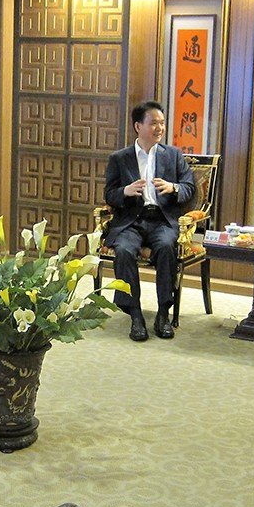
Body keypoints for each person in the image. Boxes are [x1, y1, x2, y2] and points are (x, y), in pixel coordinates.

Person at [103, 100, 195, 341]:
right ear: (138, 126)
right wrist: (125, 191)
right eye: (153, 123)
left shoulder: (173, 155)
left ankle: (163, 313)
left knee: (165, 247)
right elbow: (109, 194)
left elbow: (190, 188)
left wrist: (173, 187)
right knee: (124, 250)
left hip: (161, 220)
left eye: (162, 123)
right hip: (130, 221)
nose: (159, 128)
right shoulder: (120, 158)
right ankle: (135, 315)